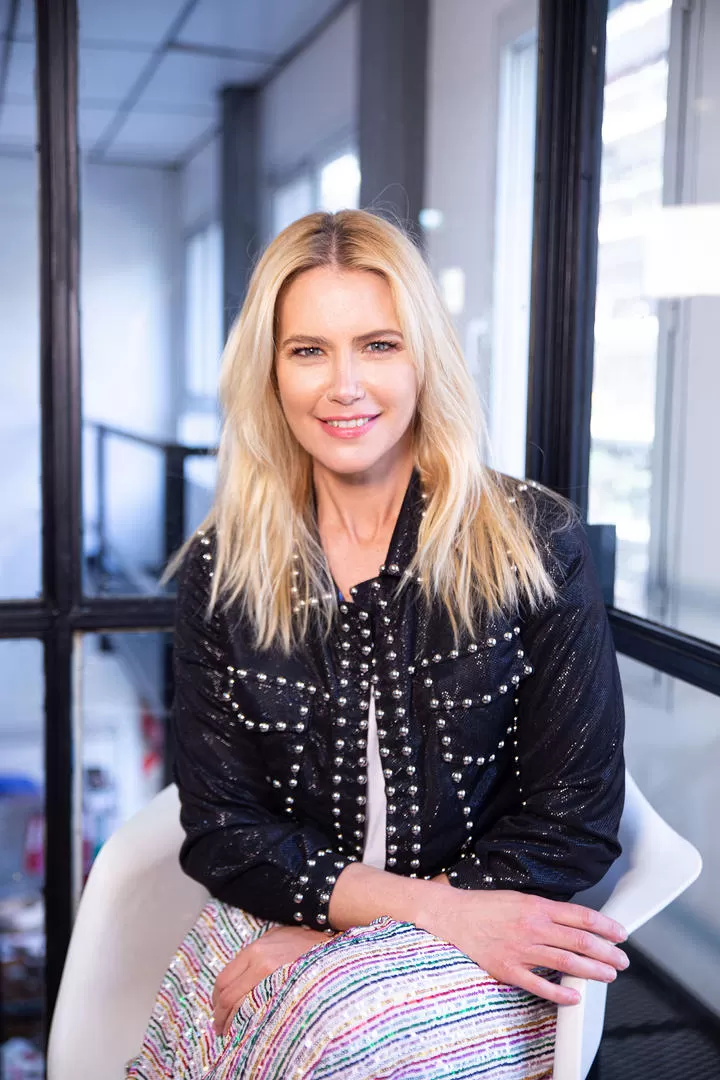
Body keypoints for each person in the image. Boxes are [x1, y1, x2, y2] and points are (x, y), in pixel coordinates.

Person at [126, 209, 629, 1080]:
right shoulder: (226, 565)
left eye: (379, 345)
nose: (344, 385)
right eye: (308, 350)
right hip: (294, 907)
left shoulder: (532, 540)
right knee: (208, 1008)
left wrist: (383, 932)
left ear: (424, 358)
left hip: (489, 924)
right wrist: (353, 919)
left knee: (328, 1025)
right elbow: (222, 830)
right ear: (270, 372)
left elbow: (573, 821)